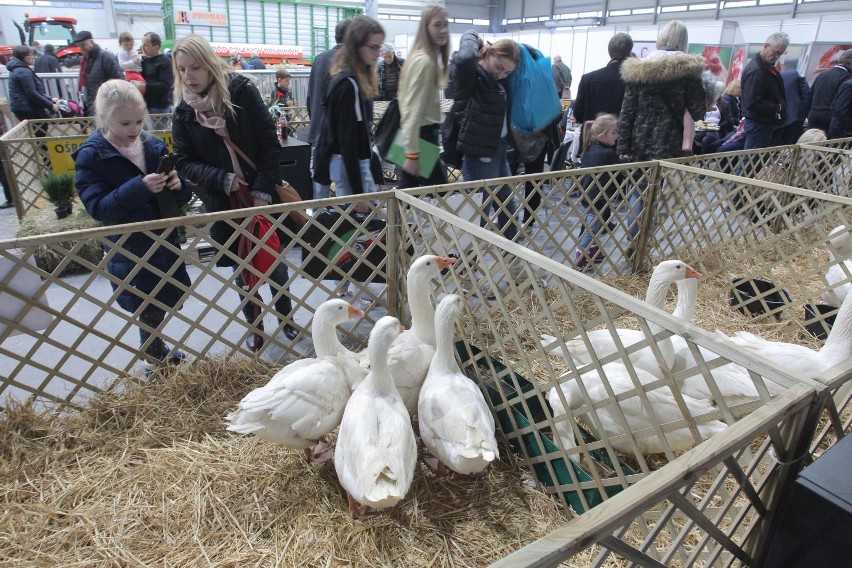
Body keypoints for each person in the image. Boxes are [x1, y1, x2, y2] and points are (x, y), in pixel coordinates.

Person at [171, 34, 299, 349]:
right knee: (242, 269)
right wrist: (222, 178)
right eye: (182, 69)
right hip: (223, 203)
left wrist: (262, 189)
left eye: (196, 68)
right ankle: (255, 327)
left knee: (275, 262)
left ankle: (286, 318)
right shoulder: (184, 113)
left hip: (261, 195)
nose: (189, 76)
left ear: (211, 65)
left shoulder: (241, 91)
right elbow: (185, 162)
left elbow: (269, 143)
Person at [72, 80, 191, 366]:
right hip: (131, 245)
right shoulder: (93, 155)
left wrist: (178, 185)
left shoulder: (152, 145)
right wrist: (141, 187)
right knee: (145, 300)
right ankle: (152, 350)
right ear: (104, 118)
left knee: (168, 295)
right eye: (125, 123)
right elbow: (99, 208)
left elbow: (183, 196)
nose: (134, 129)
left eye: (139, 121)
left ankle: (153, 345)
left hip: (164, 238)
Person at [447, 31, 521, 240]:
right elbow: (465, 58)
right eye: (499, 67)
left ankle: (511, 251)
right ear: (488, 53)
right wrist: (475, 39)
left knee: (507, 204)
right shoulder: (472, 74)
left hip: (498, 148)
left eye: (507, 72)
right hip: (478, 151)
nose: (502, 74)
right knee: (480, 210)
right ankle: (469, 261)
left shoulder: (496, 79)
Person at [313, 15, 384, 214]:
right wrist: (359, 193)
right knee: (359, 225)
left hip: (346, 164)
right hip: (350, 166)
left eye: (379, 47)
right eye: (373, 47)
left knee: (355, 227)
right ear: (356, 46)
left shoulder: (345, 78)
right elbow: (348, 142)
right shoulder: (349, 84)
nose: (378, 53)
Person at [617, 21, 706, 161]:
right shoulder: (689, 72)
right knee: (670, 182)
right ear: (684, 41)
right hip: (673, 143)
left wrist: (623, 147)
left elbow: (627, 112)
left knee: (641, 181)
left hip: (640, 141)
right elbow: (698, 111)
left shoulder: (638, 69)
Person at [396, 4, 450, 189]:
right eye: (437, 25)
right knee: (441, 199)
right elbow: (411, 110)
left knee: (410, 199)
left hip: (419, 139)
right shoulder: (424, 62)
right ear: (425, 28)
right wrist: (412, 154)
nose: (443, 30)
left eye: (445, 24)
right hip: (421, 140)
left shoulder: (420, 58)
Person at [307, 18, 350, 200]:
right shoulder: (348, 61)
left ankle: (319, 224)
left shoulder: (319, 59)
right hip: (340, 138)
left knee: (320, 184)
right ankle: (344, 225)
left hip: (318, 133)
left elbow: (310, 97)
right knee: (342, 187)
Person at [574, 113, 624, 271]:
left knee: (592, 223)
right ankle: (581, 256)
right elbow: (622, 167)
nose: (617, 136)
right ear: (603, 136)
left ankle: (593, 250)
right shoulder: (608, 154)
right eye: (614, 133)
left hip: (589, 195)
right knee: (592, 227)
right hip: (598, 197)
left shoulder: (589, 148)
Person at [740, 32, 790, 150]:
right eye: (776, 52)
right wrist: (776, 107)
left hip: (763, 123)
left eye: (781, 54)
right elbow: (751, 102)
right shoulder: (756, 70)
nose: (777, 56)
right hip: (758, 124)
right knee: (750, 163)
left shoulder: (765, 67)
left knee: (753, 163)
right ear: (766, 45)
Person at [572, 33, 633, 124]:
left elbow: (578, 114)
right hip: (623, 136)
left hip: (591, 134)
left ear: (609, 52)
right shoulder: (636, 81)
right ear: (629, 53)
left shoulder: (588, 79)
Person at [74, 30, 123, 116]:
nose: (81, 48)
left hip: (106, 104)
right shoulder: (85, 60)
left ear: (91, 42)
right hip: (92, 103)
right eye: (79, 46)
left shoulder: (105, 57)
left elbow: (119, 79)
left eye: (83, 45)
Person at [7, 45, 58, 126]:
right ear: (23, 56)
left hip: (22, 106)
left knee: (36, 131)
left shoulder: (18, 69)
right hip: (27, 108)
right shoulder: (23, 71)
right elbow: (32, 93)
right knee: (39, 131)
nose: (33, 57)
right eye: (30, 55)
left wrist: (50, 99)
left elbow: (33, 92)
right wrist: (50, 105)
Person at [807, 49, 852, 133]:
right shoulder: (847, 78)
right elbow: (841, 106)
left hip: (814, 117)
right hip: (831, 121)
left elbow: (809, 96)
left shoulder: (822, 74)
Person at [139, 32, 175, 116]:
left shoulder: (165, 61)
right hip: (145, 105)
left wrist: (145, 87)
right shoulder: (144, 60)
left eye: (146, 45)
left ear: (156, 47)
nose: (143, 48)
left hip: (160, 107)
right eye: (142, 45)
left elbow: (166, 85)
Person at [777, 68, 812, 145]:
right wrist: (803, 113)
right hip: (795, 118)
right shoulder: (793, 74)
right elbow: (807, 94)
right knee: (791, 148)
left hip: (775, 121)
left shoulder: (767, 79)